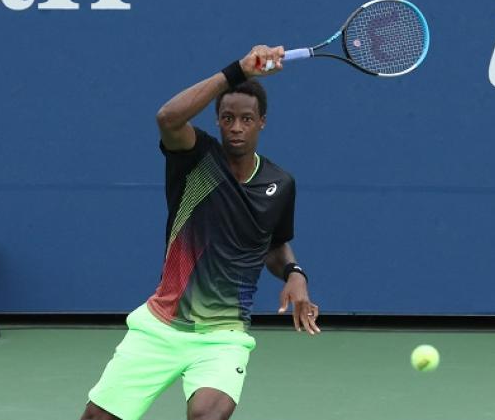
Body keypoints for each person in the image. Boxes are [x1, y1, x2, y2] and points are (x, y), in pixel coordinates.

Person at [79, 45, 320, 420]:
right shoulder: (196, 158)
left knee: (207, 414)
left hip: (223, 336)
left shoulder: (280, 184)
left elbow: (272, 244)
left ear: (262, 122)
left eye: (246, 119)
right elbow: (168, 117)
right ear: (218, 120)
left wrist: (294, 273)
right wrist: (238, 71)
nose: (236, 127)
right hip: (161, 325)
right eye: (227, 118)